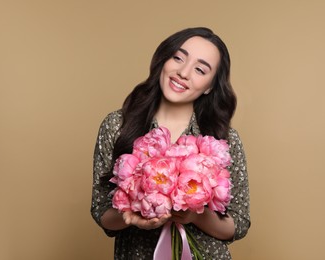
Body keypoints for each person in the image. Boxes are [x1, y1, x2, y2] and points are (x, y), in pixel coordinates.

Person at [91, 27, 250, 259]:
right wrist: (136, 213)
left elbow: (239, 224)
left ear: (210, 86)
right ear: (163, 60)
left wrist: (196, 216)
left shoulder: (223, 140)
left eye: (200, 69)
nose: (183, 72)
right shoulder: (117, 126)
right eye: (178, 58)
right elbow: (101, 211)